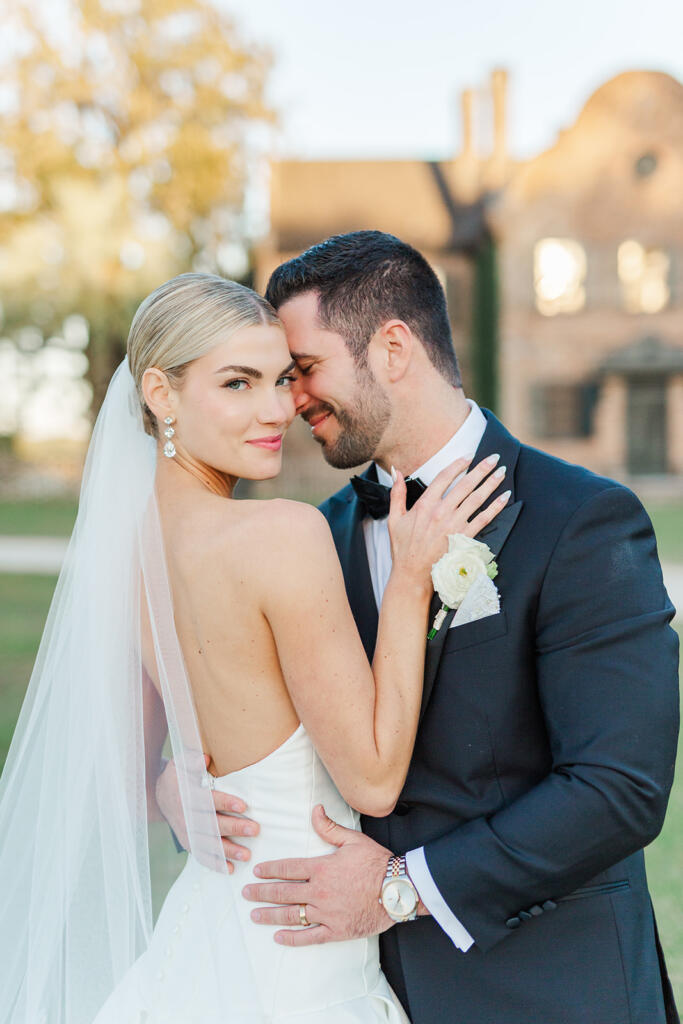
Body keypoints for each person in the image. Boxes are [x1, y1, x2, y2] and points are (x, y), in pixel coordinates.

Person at [160, 232, 680, 1024]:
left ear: (393, 348)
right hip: (361, 988)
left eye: (303, 369)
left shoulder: (581, 521)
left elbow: (619, 788)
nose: (289, 402)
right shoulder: (314, 539)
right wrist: (171, 782)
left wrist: (400, 887)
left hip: (549, 989)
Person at [0, 271, 509, 1024]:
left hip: (206, 929)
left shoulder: (125, 551)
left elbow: (126, 776)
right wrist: (409, 579)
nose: (276, 410)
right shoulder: (282, 535)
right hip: (298, 946)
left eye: (281, 379)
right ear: (160, 394)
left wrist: (169, 785)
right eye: (237, 383)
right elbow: (372, 781)